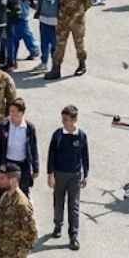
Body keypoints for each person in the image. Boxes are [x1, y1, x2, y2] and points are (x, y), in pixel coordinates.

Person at [47, 105, 89, 249]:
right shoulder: (58, 135)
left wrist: (86, 175)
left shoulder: (81, 136)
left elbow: (85, 157)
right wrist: (50, 174)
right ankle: (58, 225)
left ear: (74, 119)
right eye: (62, 119)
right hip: (59, 174)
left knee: (74, 206)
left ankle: (73, 236)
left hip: (75, 176)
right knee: (58, 202)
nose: (63, 122)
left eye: (66, 119)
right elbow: (51, 155)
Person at [45, 0, 90, 80]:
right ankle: (56, 69)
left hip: (77, 21)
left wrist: (78, 13)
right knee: (59, 44)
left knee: (79, 44)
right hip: (63, 20)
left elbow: (88, 2)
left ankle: (82, 64)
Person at [0, 99, 39, 197]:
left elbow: (33, 149)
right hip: (7, 164)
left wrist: (35, 168)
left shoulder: (29, 128)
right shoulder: (4, 125)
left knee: (23, 193)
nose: (11, 114)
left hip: (23, 166)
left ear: (21, 113)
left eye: (14, 112)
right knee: (4, 192)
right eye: (10, 111)